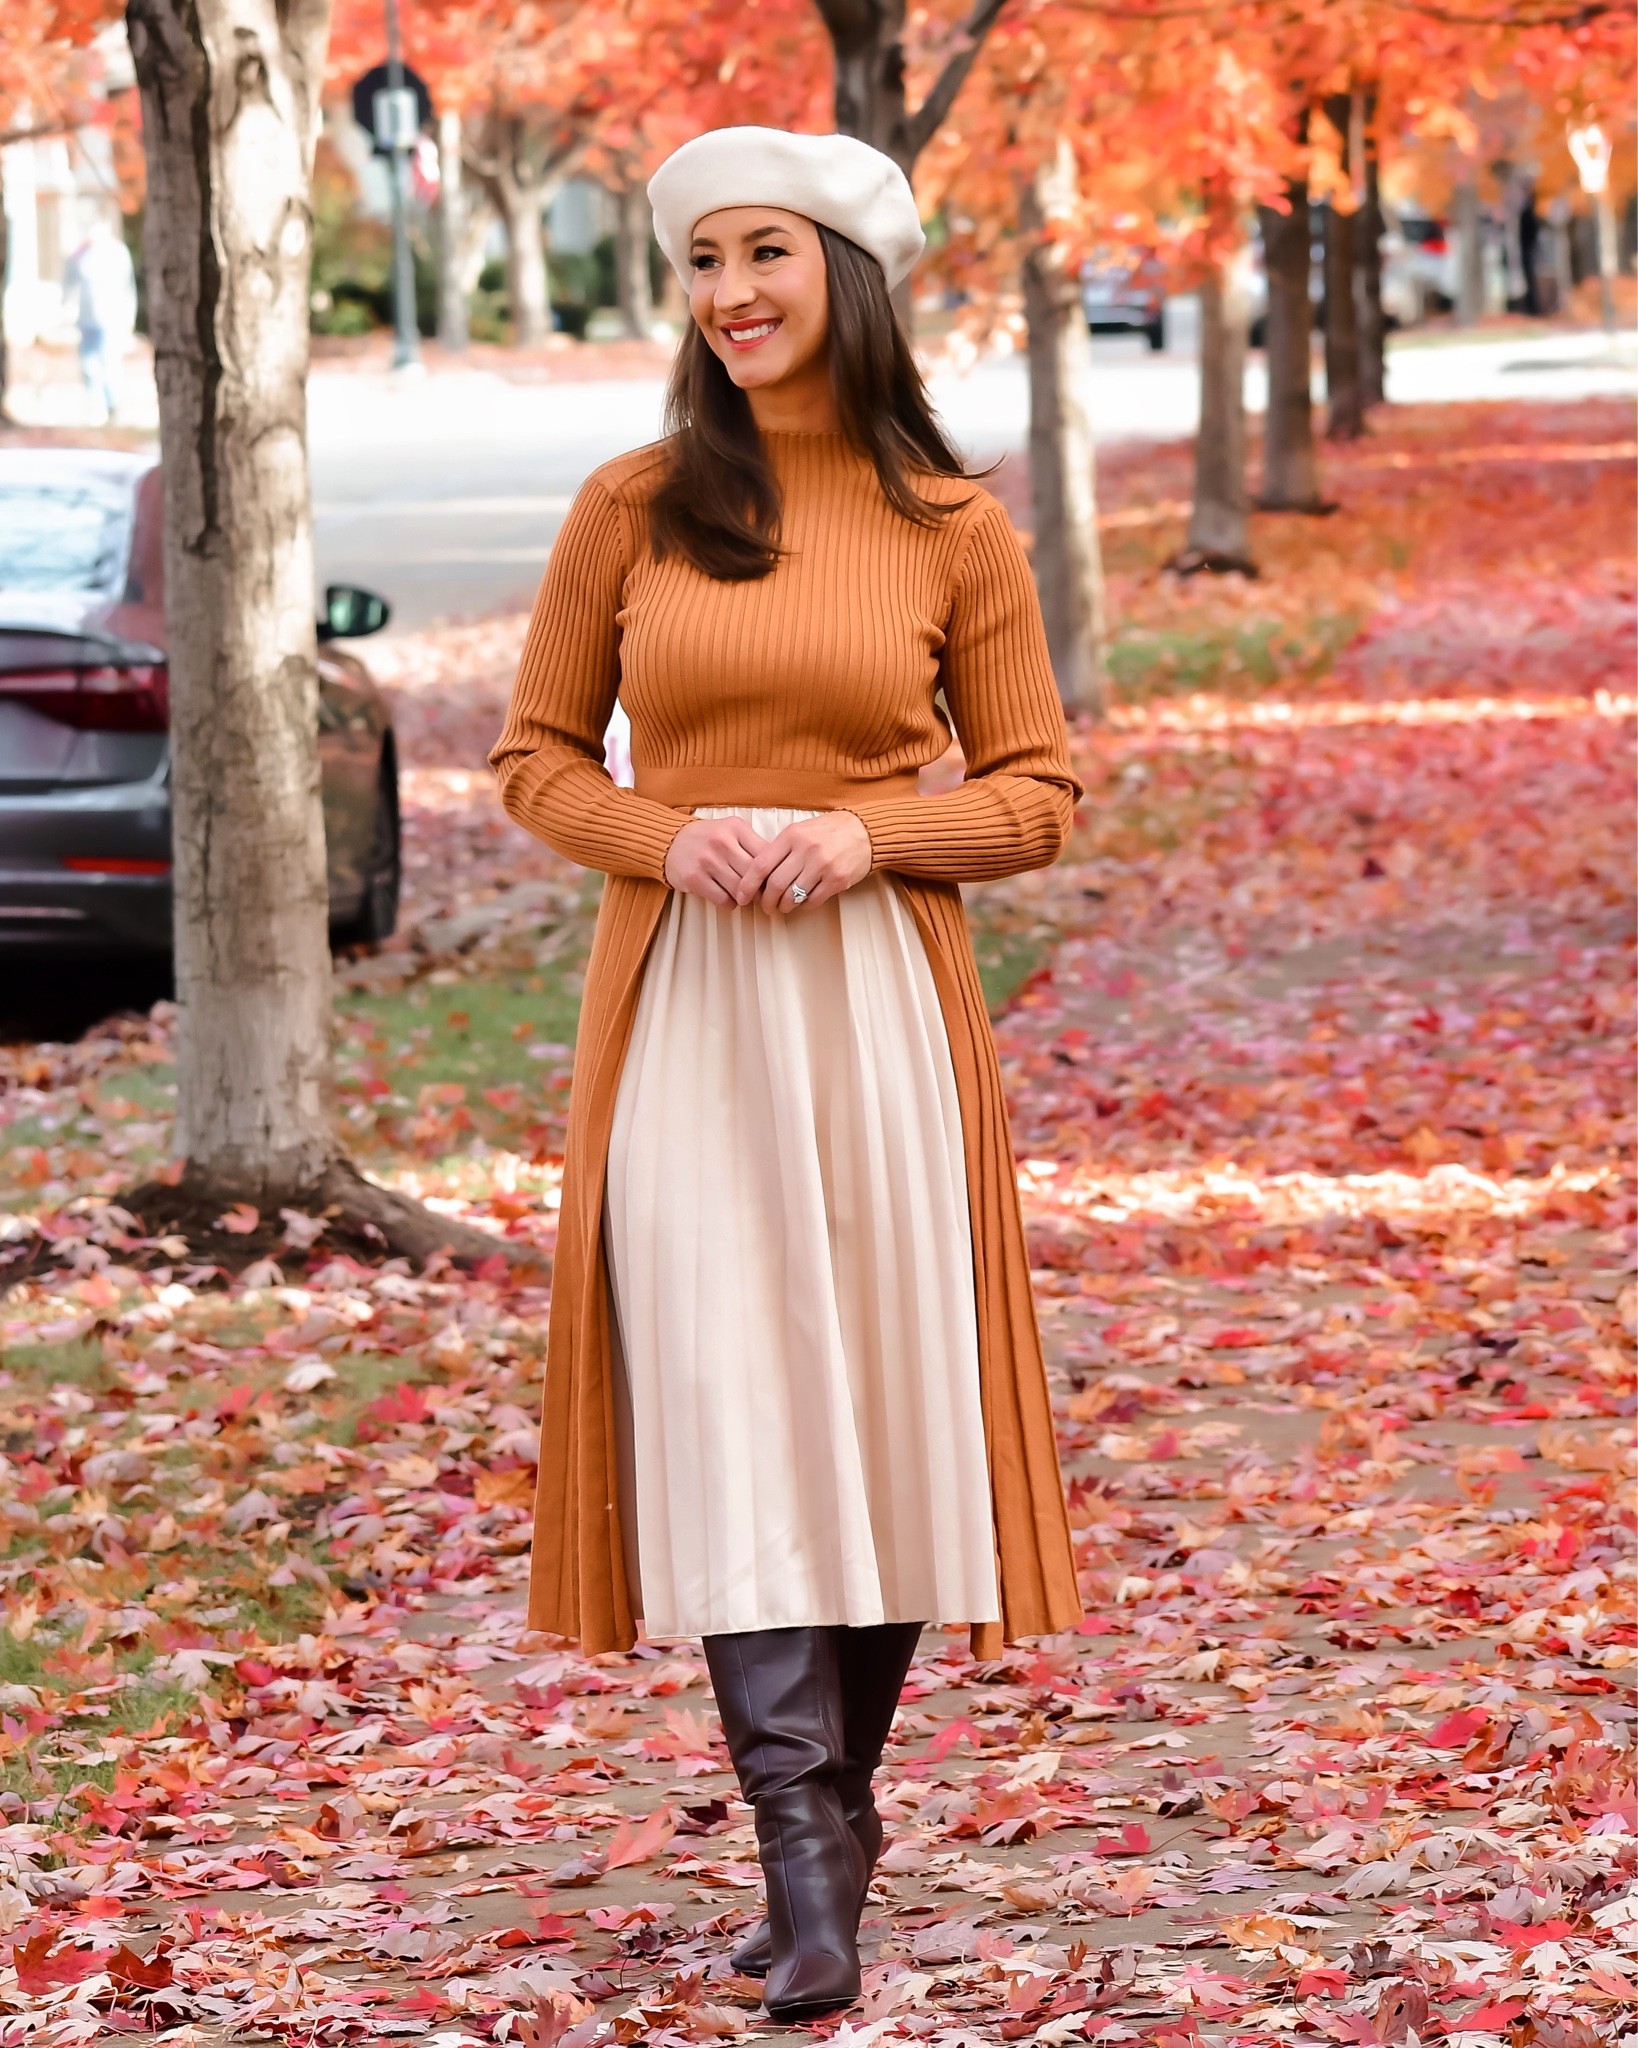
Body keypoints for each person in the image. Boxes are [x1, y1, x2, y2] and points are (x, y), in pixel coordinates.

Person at [490, 125, 1083, 2024]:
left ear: (846, 271)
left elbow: (1036, 792)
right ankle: (801, 1858)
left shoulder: (947, 525)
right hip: (685, 1010)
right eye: (700, 261)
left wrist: (866, 838)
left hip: (876, 1007)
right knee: (734, 1390)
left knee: (888, 1405)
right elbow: (534, 758)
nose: (729, 292)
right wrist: (667, 839)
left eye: (767, 253)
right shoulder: (634, 503)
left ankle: (833, 1823)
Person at [63, 214, 137, 425]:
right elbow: (69, 284)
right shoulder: (80, 254)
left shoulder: (117, 252)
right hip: (86, 319)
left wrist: (128, 315)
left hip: (110, 318)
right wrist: (67, 311)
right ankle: (96, 406)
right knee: (89, 366)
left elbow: (127, 287)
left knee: (110, 363)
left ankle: (113, 405)